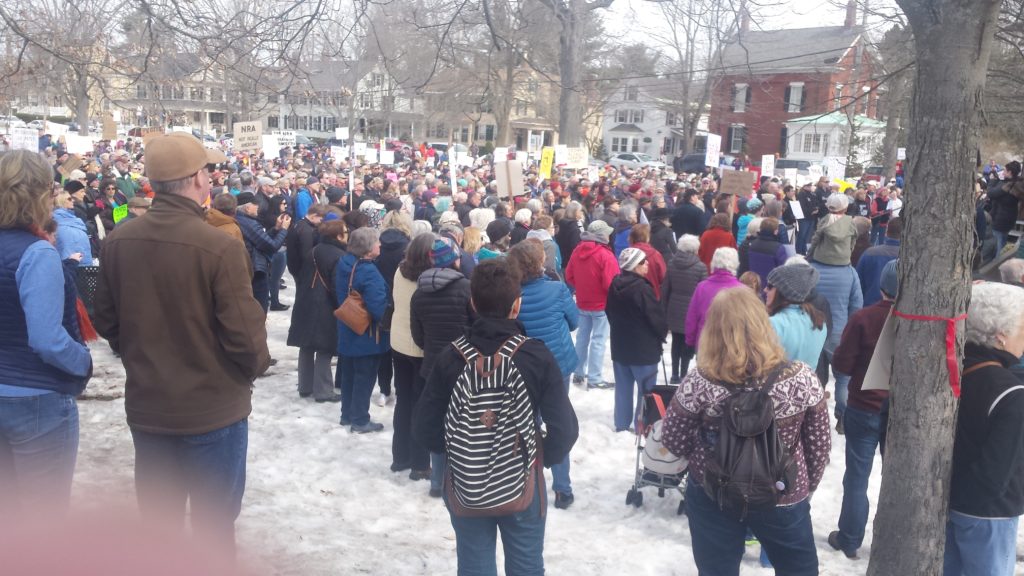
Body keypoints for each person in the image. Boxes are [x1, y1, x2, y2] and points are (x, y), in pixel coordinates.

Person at [93, 133, 269, 554]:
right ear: (195, 179)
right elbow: (247, 339)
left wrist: (141, 351)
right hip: (212, 410)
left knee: (160, 529)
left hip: (151, 406)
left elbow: (106, 319)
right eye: (207, 171)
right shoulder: (219, 246)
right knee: (212, 530)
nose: (211, 178)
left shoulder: (119, 241)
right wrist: (248, 369)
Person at [412, 258, 579, 576]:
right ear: (517, 305)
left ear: (472, 303)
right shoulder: (536, 355)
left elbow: (424, 427)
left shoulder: (451, 357)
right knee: (527, 566)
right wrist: (539, 456)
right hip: (521, 481)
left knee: (475, 566)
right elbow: (565, 427)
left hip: (465, 484)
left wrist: (460, 450)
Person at [661, 287, 830, 575]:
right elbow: (819, 446)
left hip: (715, 492)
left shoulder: (699, 382)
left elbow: (673, 440)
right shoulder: (802, 378)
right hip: (782, 492)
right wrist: (804, 486)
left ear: (713, 331)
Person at [0, 150, 93, 517]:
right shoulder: (37, 252)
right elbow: (47, 339)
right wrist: (82, 362)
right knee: (44, 518)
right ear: (43, 193)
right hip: (36, 398)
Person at [944, 281, 1024, 576]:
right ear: (1001, 336)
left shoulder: (948, 369)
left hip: (944, 503)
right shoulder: (1012, 393)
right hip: (990, 516)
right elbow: (997, 471)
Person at [827, 260, 897, 560]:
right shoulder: (919, 322)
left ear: (882, 286)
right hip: (900, 410)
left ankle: (850, 537)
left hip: (864, 405)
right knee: (897, 476)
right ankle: (893, 538)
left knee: (858, 475)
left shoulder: (864, 318)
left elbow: (842, 364)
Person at [508, 239, 579, 509]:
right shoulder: (557, 288)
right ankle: (562, 488)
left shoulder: (511, 293)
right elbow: (573, 322)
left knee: (527, 424)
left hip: (523, 368)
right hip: (557, 364)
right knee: (558, 422)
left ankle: (528, 481)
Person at [411, 236, 475, 496]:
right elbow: (475, 325)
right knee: (464, 424)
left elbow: (418, 336)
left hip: (432, 366)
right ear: (454, 262)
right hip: (463, 365)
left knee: (439, 423)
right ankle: (462, 480)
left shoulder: (419, 292)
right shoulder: (466, 289)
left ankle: (437, 481)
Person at [606, 247, 668, 432]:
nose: (647, 263)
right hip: (643, 351)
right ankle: (642, 426)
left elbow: (609, 312)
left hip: (621, 346)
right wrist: (661, 335)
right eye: (642, 262)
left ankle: (621, 423)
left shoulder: (614, 284)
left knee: (623, 389)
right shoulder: (642, 289)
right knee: (646, 391)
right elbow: (656, 319)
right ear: (633, 266)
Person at [334, 227, 389, 434]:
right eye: (377, 242)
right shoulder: (368, 271)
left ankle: (347, 414)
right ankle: (359, 418)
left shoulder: (345, 262)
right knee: (364, 377)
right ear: (367, 249)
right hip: (367, 335)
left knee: (349, 374)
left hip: (348, 327)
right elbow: (377, 308)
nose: (380, 245)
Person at [390, 233, 434, 480]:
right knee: (419, 403)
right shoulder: (426, 279)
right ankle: (419, 462)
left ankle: (400, 456)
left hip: (399, 342)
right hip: (418, 347)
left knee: (404, 400)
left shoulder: (400, 271)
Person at [287, 206, 340, 403]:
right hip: (322, 302)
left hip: (305, 296)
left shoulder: (314, 249)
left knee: (306, 344)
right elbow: (336, 287)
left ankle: (305, 385)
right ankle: (324, 390)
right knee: (324, 346)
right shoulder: (334, 254)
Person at [565, 220, 619, 389]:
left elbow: (569, 276)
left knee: (582, 338)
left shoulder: (577, 250)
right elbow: (611, 283)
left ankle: (579, 373)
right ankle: (595, 378)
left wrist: (581, 288)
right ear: (603, 235)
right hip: (601, 304)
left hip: (582, 302)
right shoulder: (605, 255)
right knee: (598, 341)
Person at [661, 234, 707, 383]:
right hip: (690, 311)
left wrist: (665, 308)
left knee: (676, 342)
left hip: (674, 307)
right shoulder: (700, 267)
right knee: (688, 343)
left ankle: (674, 374)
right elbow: (703, 293)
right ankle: (684, 374)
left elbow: (665, 288)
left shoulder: (671, 263)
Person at [236, 191, 291, 313]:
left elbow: (262, 239)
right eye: (256, 204)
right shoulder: (249, 223)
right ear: (247, 207)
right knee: (260, 309)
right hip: (257, 270)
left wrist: (276, 229)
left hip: (253, 268)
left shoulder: (245, 220)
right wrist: (283, 230)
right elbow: (272, 246)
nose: (258, 206)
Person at [766, 263, 827, 368]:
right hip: (808, 383)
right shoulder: (819, 322)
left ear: (784, 292)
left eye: (770, 286)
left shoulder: (773, 324)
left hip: (778, 383)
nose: (765, 290)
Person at [685, 247, 743, 350]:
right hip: (731, 347)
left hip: (705, 344)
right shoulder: (742, 290)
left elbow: (692, 317)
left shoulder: (702, 287)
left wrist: (690, 341)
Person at [855, 217, 901, 306]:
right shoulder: (910, 258)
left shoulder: (869, 253)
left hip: (869, 308)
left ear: (886, 232)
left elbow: (858, 285)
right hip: (899, 311)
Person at [746, 217, 789, 290]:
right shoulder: (778, 248)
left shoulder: (752, 245)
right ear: (775, 231)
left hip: (755, 284)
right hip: (771, 287)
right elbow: (783, 271)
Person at [52, 191, 94, 265]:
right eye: (69, 199)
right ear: (61, 201)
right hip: (69, 266)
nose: (73, 200)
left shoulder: (73, 218)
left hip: (82, 264)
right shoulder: (57, 221)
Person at [628, 224, 667, 300]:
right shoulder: (655, 254)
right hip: (652, 295)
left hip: (632, 296)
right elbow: (663, 277)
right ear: (646, 237)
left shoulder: (628, 253)